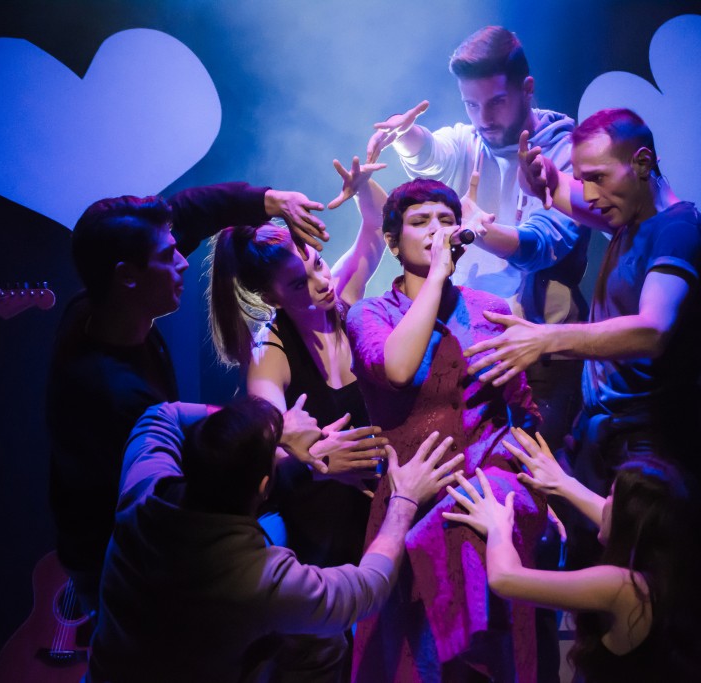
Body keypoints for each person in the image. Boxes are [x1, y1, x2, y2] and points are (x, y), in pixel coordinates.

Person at [47, 182, 329, 618]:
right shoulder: (114, 394)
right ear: (127, 275)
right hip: (125, 567)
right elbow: (189, 489)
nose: (183, 261)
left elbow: (190, 211)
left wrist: (271, 201)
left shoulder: (100, 305)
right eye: (168, 256)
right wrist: (276, 440)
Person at [466, 108, 701, 567]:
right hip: (607, 437)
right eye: (583, 179)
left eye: (598, 178)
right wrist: (541, 176)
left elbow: (653, 330)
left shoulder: (677, 230)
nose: (588, 194)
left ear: (642, 163)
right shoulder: (630, 222)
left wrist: (545, 339)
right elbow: (557, 188)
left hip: (650, 444)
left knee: (637, 582)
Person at [86, 396, 464, 683]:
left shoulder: (143, 485)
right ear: (264, 486)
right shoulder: (259, 580)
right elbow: (368, 586)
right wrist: (404, 500)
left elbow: (160, 415)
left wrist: (266, 434)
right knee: (323, 641)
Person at [346, 178, 545, 682]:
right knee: (415, 655)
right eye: (420, 222)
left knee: (490, 656)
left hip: (487, 497)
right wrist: (436, 277)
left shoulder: (490, 309)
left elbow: (521, 410)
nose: (436, 230)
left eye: (446, 220)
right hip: (412, 502)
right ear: (393, 242)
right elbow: (394, 369)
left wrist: (550, 490)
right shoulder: (370, 314)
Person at [367, 25, 588, 448]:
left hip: (538, 351)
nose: (483, 118)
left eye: (496, 102)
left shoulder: (565, 151)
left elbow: (541, 245)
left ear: (527, 89)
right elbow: (433, 155)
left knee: (535, 470)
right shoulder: (470, 141)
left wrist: (478, 231)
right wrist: (404, 136)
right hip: (470, 344)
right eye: (471, 104)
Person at [207, 156, 389, 569]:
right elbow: (267, 449)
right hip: (322, 524)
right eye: (297, 283)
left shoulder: (341, 296)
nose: (322, 283)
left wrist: (362, 187)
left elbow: (377, 228)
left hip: (379, 502)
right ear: (270, 297)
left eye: (317, 265)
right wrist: (320, 459)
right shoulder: (269, 352)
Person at [442, 428, 701, 683]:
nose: (604, 503)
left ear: (631, 521)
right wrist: (562, 482)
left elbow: (505, 580)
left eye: (612, 496)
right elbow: (624, 516)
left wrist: (497, 528)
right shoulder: (675, 572)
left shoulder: (623, 588)